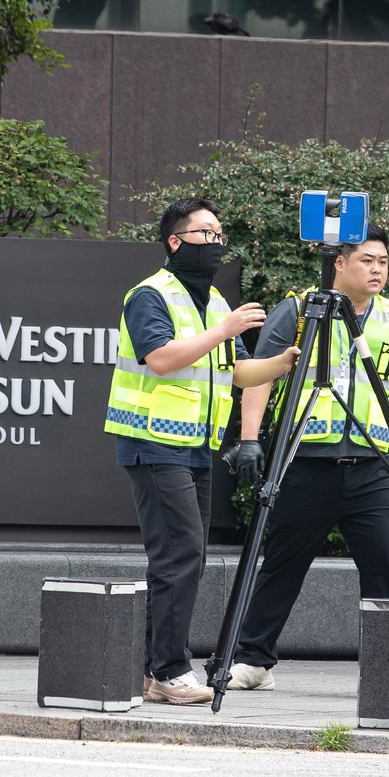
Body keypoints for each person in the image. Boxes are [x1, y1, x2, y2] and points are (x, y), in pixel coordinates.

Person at [105, 197, 299, 705]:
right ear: (176, 242)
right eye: (205, 234)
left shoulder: (212, 302)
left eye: (219, 235)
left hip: (195, 447)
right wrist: (225, 330)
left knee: (181, 555)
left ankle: (156, 673)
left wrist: (283, 362)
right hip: (153, 441)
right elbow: (162, 359)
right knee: (180, 553)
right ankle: (170, 670)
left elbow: (237, 372)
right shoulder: (151, 295)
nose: (216, 243)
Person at [224, 225, 389, 691]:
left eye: (383, 262)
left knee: (385, 568)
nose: (377, 270)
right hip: (305, 460)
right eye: (367, 260)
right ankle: (254, 660)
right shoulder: (297, 311)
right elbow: (259, 376)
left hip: (374, 465)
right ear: (338, 262)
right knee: (281, 563)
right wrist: (250, 438)